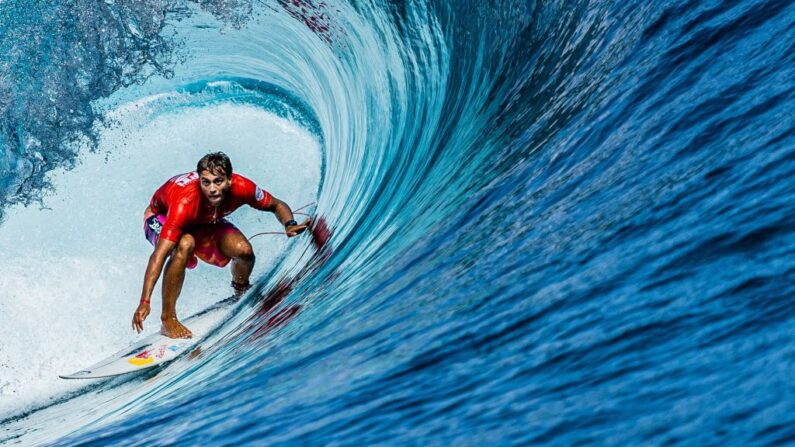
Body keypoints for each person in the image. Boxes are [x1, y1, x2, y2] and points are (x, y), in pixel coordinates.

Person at [131, 152, 310, 339]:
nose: (212, 189)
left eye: (218, 181)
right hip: (159, 217)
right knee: (185, 244)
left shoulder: (243, 187)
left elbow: (276, 204)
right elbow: (158, 255)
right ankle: (168, 319)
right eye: (205, 182)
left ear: (230, 180)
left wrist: (289, 224)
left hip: (203, 221)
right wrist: (145, 301)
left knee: (244, 251)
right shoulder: (185, 203)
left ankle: (241, 289)